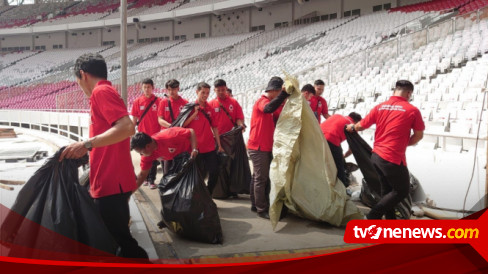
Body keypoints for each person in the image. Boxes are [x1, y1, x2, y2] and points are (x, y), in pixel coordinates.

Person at [60, 53, 148, 258]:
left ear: (83, 75)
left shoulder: (101, 92)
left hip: (111, 181)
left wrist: (87, 144)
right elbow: (112, 134)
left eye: (77, 81)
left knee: (120, 241)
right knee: (116, 237)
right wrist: (87, 149)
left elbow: (127, 128)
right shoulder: (104, 92)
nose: (79, 86)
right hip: (112, 179)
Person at [346, 80, 425, 220]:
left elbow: (361, 126)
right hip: (392, 158)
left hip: (376, 156)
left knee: (387, 192)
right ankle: (372, 217)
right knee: (401, 191)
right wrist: (402, 144)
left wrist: (351, 127)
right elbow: (418, 136)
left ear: (395, 91)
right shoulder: (412, 110)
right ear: (409, 93)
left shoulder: (380, 107)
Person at [247, 76, 290, 219]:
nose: (279, 96)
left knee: (257, 177)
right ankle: (261, 208)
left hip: (263, 146)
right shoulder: (263, 101)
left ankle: (255, 203)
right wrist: (283, 95)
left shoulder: (272, 103)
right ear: (273, 91)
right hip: (258, 146)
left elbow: (280, 113)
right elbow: (268, 109)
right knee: (261, 178)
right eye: (278, 93)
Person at [183, 82, 224, 195]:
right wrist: (194, 114)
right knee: (198, 175)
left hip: (210, 146)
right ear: (197, 92)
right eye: (203, 92)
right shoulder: (190, 107)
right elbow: (183, 125)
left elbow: (215, 127)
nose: (205, 95)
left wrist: (219, 145)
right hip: (195, 148)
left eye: (207, 93)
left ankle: (207, 194)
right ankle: (199, 199)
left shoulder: (210, 107)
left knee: (214, 172)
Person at [130, 128, 199, 188]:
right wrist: (128, 195)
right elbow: (142, 175)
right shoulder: (147, 155)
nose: (141, 155)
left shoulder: (170, 136)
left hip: (190, 156)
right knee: (168, 183)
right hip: (172, 159)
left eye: (141, 152)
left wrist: (194, 150)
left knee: (192, 183)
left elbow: (191, 131)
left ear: (147, 146)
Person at [130, 78, 161, 189]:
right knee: (144, 158)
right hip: (142, 136)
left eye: (149, 87)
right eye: (145, 87)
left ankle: (151, 179)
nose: (147, 89)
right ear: (142, 88)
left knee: (152, 157)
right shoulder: (137, 102)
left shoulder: (159, 101)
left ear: (153, 87)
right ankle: (146, 179)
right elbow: (134, 120)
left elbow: (161, 118)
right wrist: (130, 134)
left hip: (155, 136)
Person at [320, 112, 362, 188]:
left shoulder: (336, 115)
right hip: (331, 139)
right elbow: (351, 149)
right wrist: (344, 157)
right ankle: (343, 186)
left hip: (317, 136)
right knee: (339, 166)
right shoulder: (351, 126)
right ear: (356, 122)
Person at [157, 79, 188, 175]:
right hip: (166, 137)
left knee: (179, 163)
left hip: (179, 137)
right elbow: (160, 120)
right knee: (167, 164)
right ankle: (167, 185)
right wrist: (171, 126)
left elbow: (187, 121)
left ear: (178, 88)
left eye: (174, 89)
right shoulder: (163, 102)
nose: (171, 92)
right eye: (169, 89)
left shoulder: (185, 103)